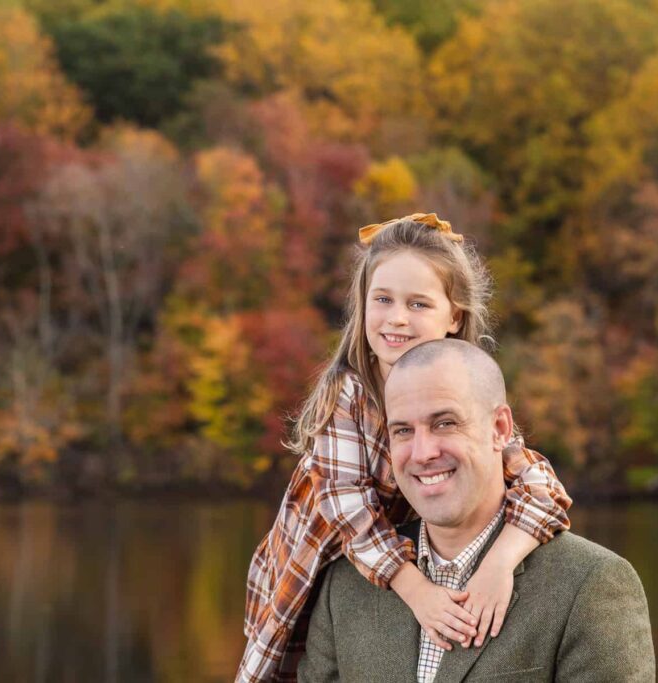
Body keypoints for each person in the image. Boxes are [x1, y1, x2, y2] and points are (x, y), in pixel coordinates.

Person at [237, 215, 573, 682]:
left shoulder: (464, 392)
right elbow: (348, 512)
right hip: (316, 567)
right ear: (362, 305)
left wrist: (499, 565)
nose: (397, 317)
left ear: (453, 317)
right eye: (383, 300)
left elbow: (544, 489)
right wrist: (418, 592)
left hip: (391, 568)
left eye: (418, 303)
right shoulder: (348, 393)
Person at [297, 339, 655, 682]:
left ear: (499, 429)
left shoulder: (590, 584)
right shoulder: (345, 586)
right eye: (403, 430)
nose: (422, 453)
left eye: (445, 423)